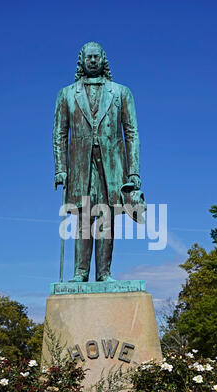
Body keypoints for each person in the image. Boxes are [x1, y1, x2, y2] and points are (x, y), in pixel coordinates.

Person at [53, 42, 141, 282]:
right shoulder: (67, 94)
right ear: (82, 61)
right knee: (83, 216)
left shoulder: (121, 92)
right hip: (80, 165)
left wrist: (133, 173)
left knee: (106, 215)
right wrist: (60, 168)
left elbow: (131, 133)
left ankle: (104, 273)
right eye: (88, 57)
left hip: (112, 166)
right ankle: (80, 272)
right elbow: (60, 134)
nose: (92, 61)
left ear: (104, 60)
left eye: (96, 57)